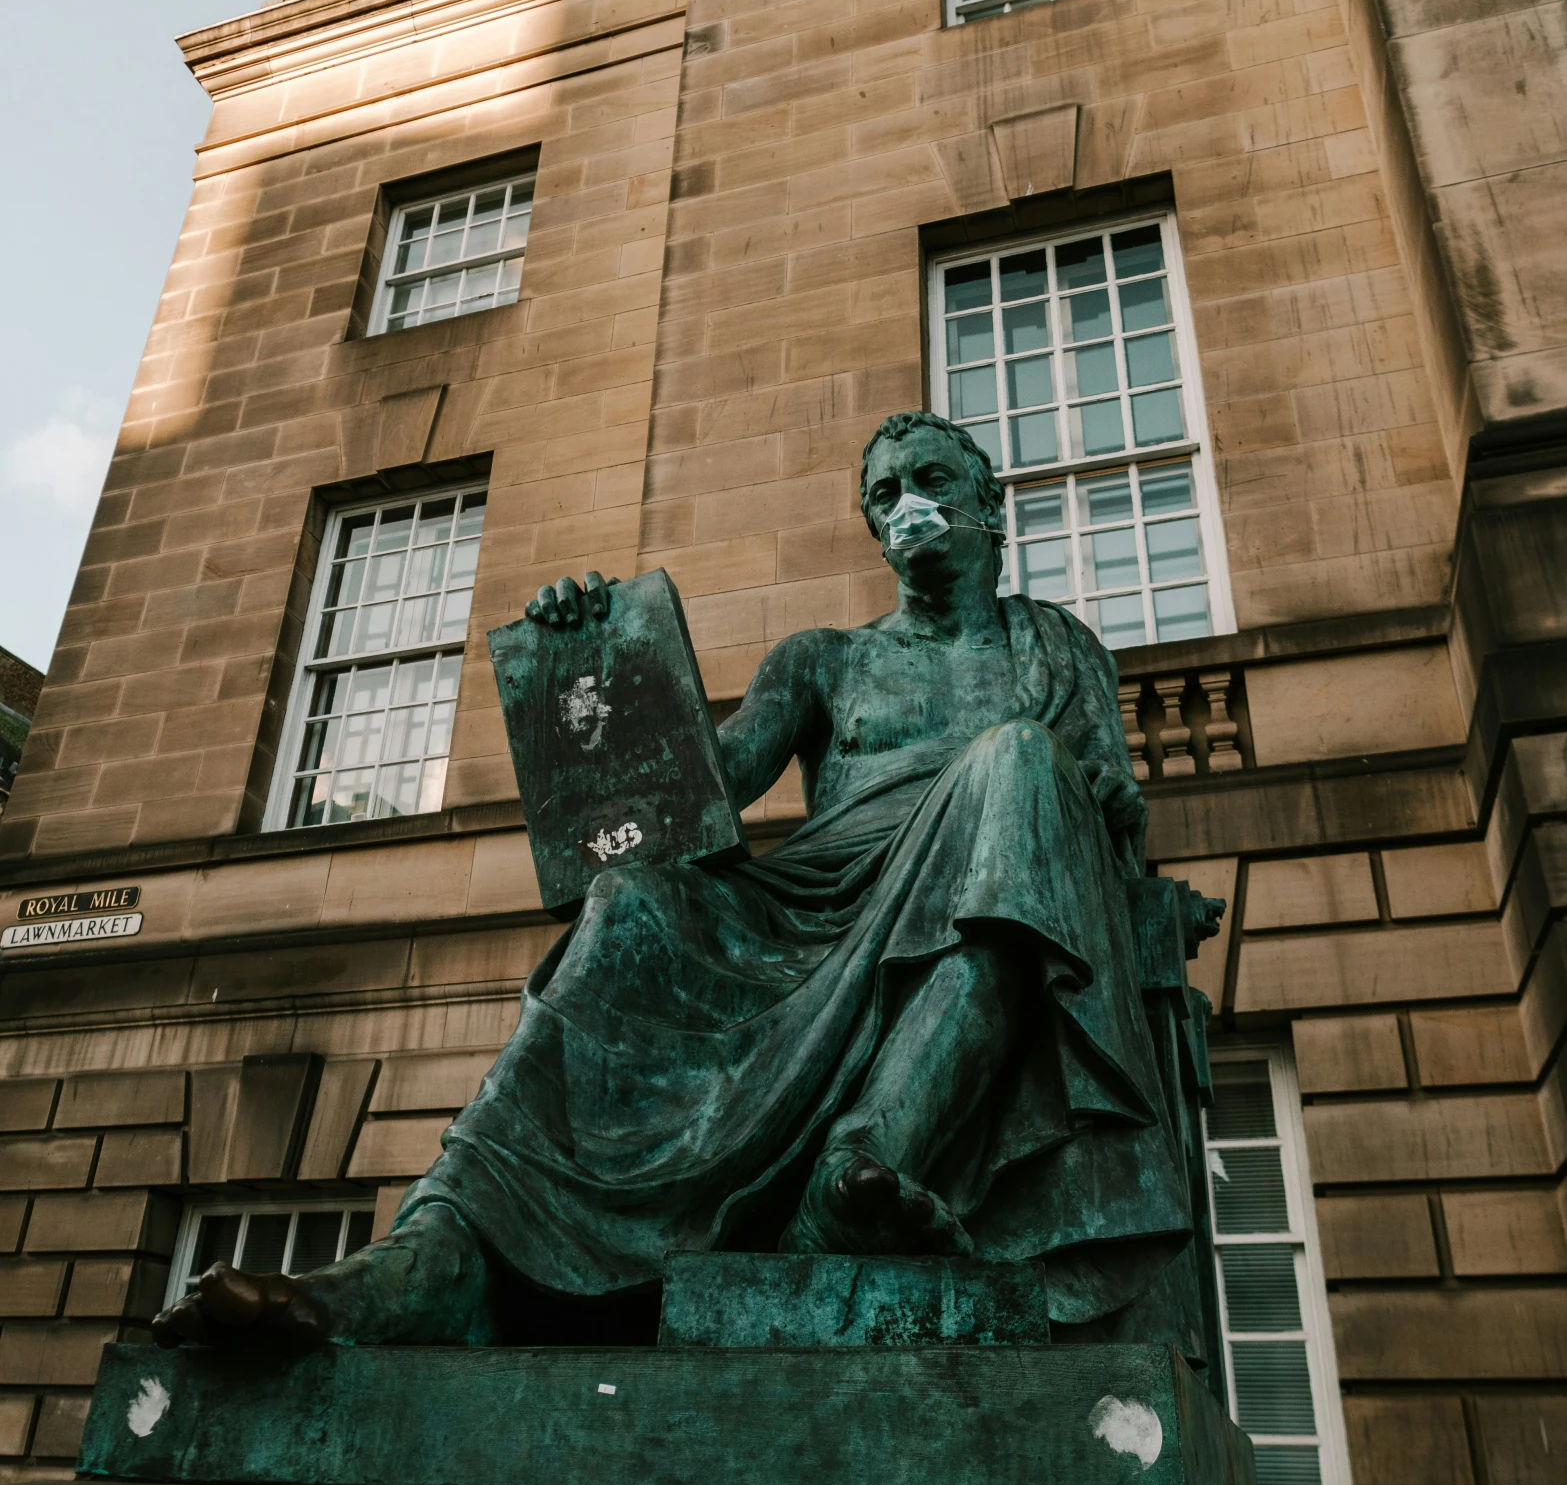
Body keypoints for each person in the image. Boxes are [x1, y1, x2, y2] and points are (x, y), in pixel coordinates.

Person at [154, 410, 1195, 1351]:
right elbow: (695, 794)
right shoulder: (823, 660)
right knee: (631, 900)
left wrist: (1094, 792)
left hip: (975, 884)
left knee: (1018, 761)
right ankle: (438, 1251)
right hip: (815, 906)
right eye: (883, 492)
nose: (907, 503)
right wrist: (591, 661)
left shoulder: (1056, 648)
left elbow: (1114, 822)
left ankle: (867, 1158)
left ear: (983, 500)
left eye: (927, 477)